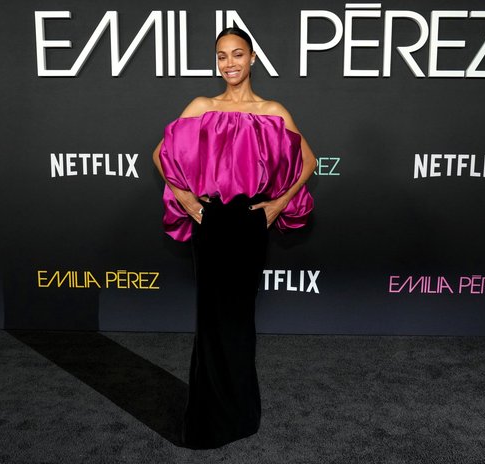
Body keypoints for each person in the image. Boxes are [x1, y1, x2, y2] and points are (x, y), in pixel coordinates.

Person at [152, 26, 317, 449]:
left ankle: (241, 413)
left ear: (253, 58)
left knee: (240, 319)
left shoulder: (272, 109)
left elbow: (309, 160)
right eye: (222, 56)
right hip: (212, 222)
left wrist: (279, 204)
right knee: (211, 319)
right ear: (217, 61)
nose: (230, 63)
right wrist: (188, 202)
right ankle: (209, 420)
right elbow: (160, 153)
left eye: (237, 54)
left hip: (249, 223)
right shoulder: (203, 106)